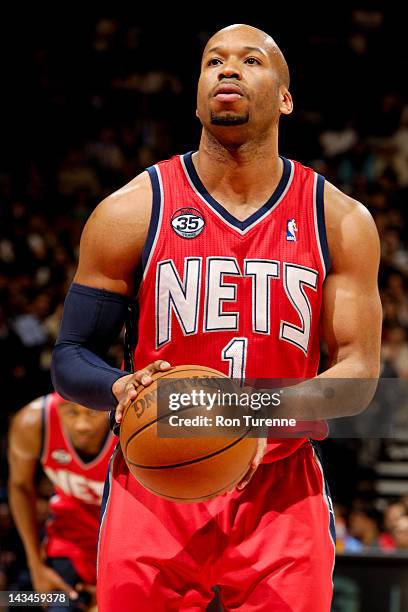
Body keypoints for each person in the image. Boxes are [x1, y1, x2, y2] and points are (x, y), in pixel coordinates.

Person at [51, 24, 382, 611]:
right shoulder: (130, 210)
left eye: (250, 60)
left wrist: (251, 416)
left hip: (281, 489)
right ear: (199, 91)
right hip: (155, 482)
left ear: (285, 96)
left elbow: (358, 375)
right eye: (213, 61)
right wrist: (118, 385)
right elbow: (71, 357)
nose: (227, 70)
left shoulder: (339, 219)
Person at [8, 392, 116, 611]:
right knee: (18, 600)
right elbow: (19, 486)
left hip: (124, 546)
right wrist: (35, 566)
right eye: (71, 411)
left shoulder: (134, 426)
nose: (82, 425)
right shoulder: (32, 422)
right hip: (69, 545)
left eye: (93, 411)